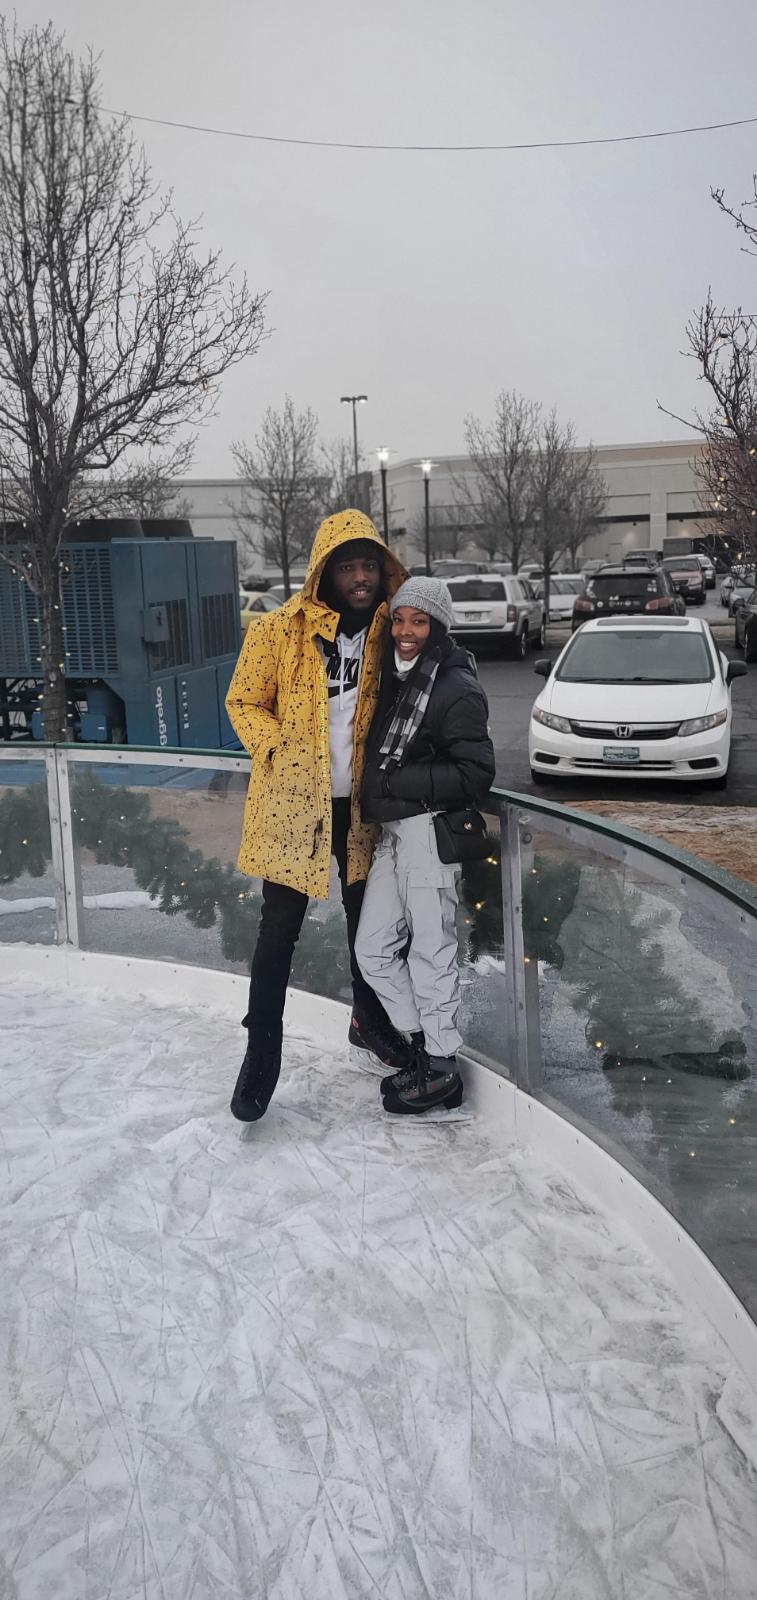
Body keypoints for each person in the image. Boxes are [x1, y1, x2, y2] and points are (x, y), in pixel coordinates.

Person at [225, 508, 410, 1121]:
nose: (360, 578)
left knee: (368, 923)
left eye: (369, 566)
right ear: (324, 573)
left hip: (363, 807)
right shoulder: (276, 631)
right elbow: (243, 701)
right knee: (277, 931)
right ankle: (261, 1054)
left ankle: (368, 1020)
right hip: (292, 806)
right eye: (347, 567)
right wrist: (279, 750)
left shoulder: (393, 633)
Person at [356, 577, 495, 1115]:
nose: (405, 631)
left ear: (437, 626)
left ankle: (442, 1069)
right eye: (399, 619)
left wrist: (395, 781)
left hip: (430, 832)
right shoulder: (398, 678)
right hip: (395, 833)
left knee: (432, 952)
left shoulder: (455, 686)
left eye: (418, 621)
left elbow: (475, 774)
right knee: (373, 949)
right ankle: (422, 1046)